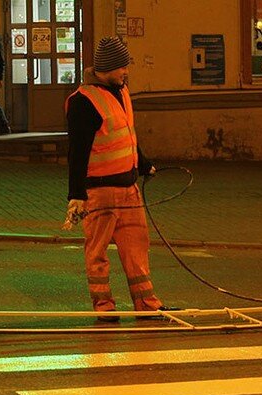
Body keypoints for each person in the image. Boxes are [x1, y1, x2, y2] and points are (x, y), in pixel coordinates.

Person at [63, 37, 177, 321]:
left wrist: (143, 164)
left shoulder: (121, 91)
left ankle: (147, 305)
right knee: (97, 251)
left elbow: (126, 133)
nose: (126, 71)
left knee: (137, 246)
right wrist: (75, 194)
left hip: (128, 188)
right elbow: (77, 152)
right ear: (106, 68)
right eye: (121, 67)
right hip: (99, 192)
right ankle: (104, 308)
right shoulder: (83, 102)